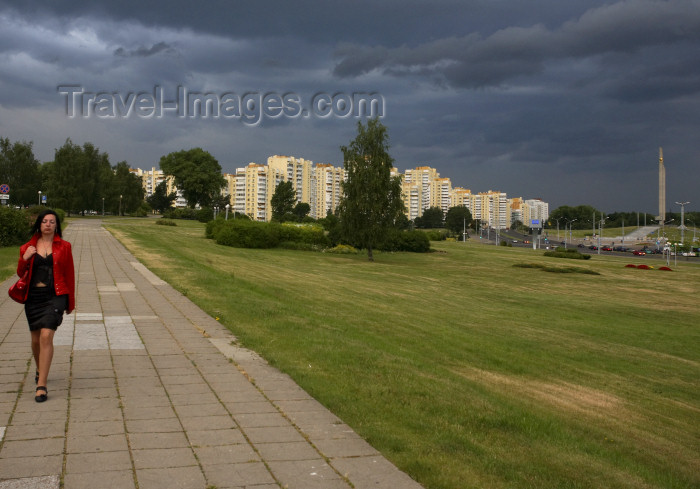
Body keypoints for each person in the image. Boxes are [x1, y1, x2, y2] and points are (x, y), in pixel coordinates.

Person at [17, 210, 75, 402]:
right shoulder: (28, 246)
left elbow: (69, 275)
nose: (48, 224)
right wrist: (24, 258)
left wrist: (70, 302)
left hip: (55, 296)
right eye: (44, 221)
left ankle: (41, 385)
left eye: (51, 221)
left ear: (56, 225)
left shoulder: (65, 247)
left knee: (46, 335)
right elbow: (20, 273)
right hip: (33, 297)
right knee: (35, 340)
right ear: (39, 225)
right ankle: (40, 367)